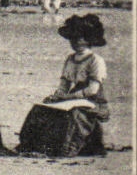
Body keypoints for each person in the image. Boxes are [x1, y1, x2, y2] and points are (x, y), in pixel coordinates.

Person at [17, 14, 110, 157]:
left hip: (93, 100)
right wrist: (56, 96)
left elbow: (92, 90)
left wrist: (68, 97)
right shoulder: (70, 59)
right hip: (72, 97)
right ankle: (31, 145)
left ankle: (66, 148)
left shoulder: (96, 60)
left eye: (81, 37)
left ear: (89, 39)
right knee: (40, 109)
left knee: (73, 114)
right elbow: (64, 85)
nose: (77, 41)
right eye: (73, 38)